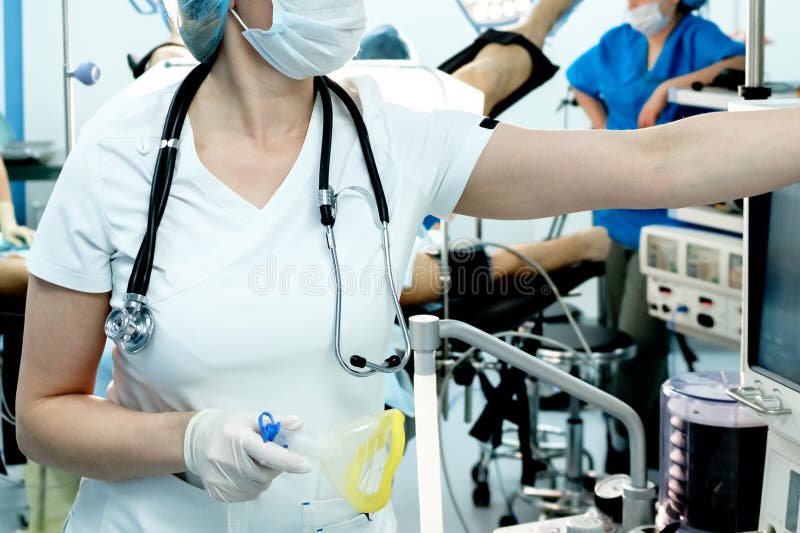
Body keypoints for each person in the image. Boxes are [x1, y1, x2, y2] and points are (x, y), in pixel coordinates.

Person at [15, 1, 799, 533]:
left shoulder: (393, 135)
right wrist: (184, 442)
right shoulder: (121, 153)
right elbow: (46, 414)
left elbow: (661, 161)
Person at [566, 0, 746, 471]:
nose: (634, 4)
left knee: (641, 341)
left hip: (669, 210)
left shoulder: (696, 37)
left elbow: (746, 62)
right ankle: (645, 447)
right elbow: (579, 79)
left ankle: (627, 449)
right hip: (614, 201)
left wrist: (672, 85)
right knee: (614, 338)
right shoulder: (619, 41)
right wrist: (602, 129)